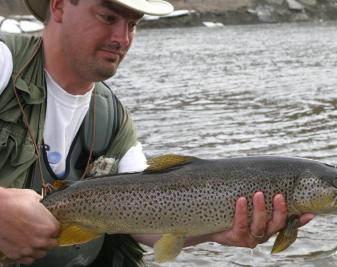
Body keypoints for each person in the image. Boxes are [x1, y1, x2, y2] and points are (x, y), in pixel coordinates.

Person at [0, 0, 314, 266]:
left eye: (133, 25)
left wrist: (219, 230)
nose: (121, 38)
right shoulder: (4, 61)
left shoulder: (113, 118)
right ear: (58, 5)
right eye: (108, 17)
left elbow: (146, 223)